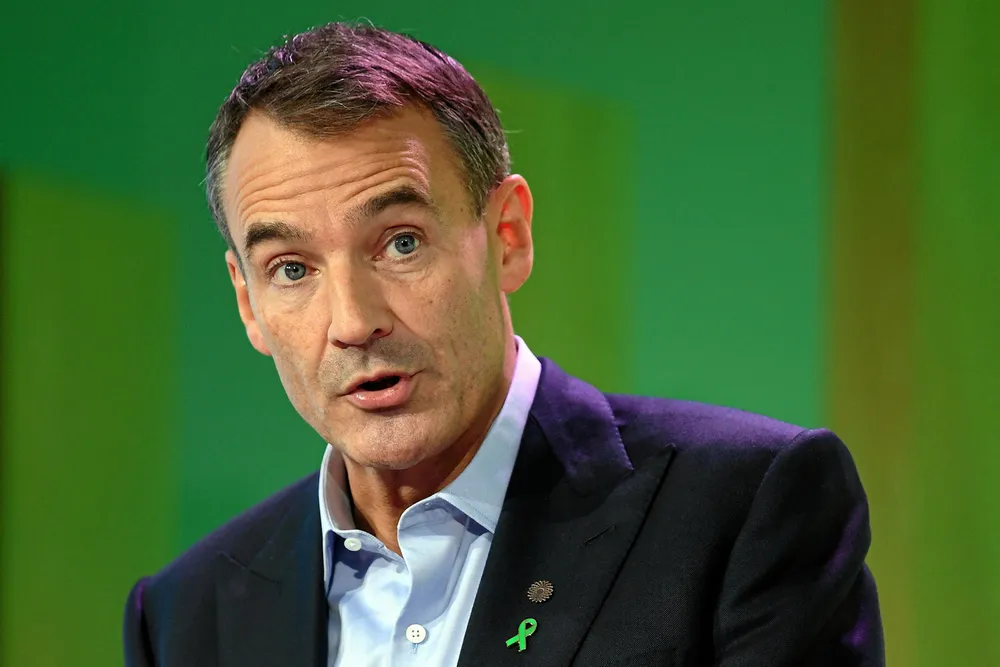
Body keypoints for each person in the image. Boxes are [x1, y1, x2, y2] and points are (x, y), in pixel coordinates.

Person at [123, 21, 884, 667]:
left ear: (507, 235)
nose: (352, 321)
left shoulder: (742, 510)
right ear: (247, 302)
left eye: (400, 243)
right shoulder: (187, 619)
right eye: (291, 268)